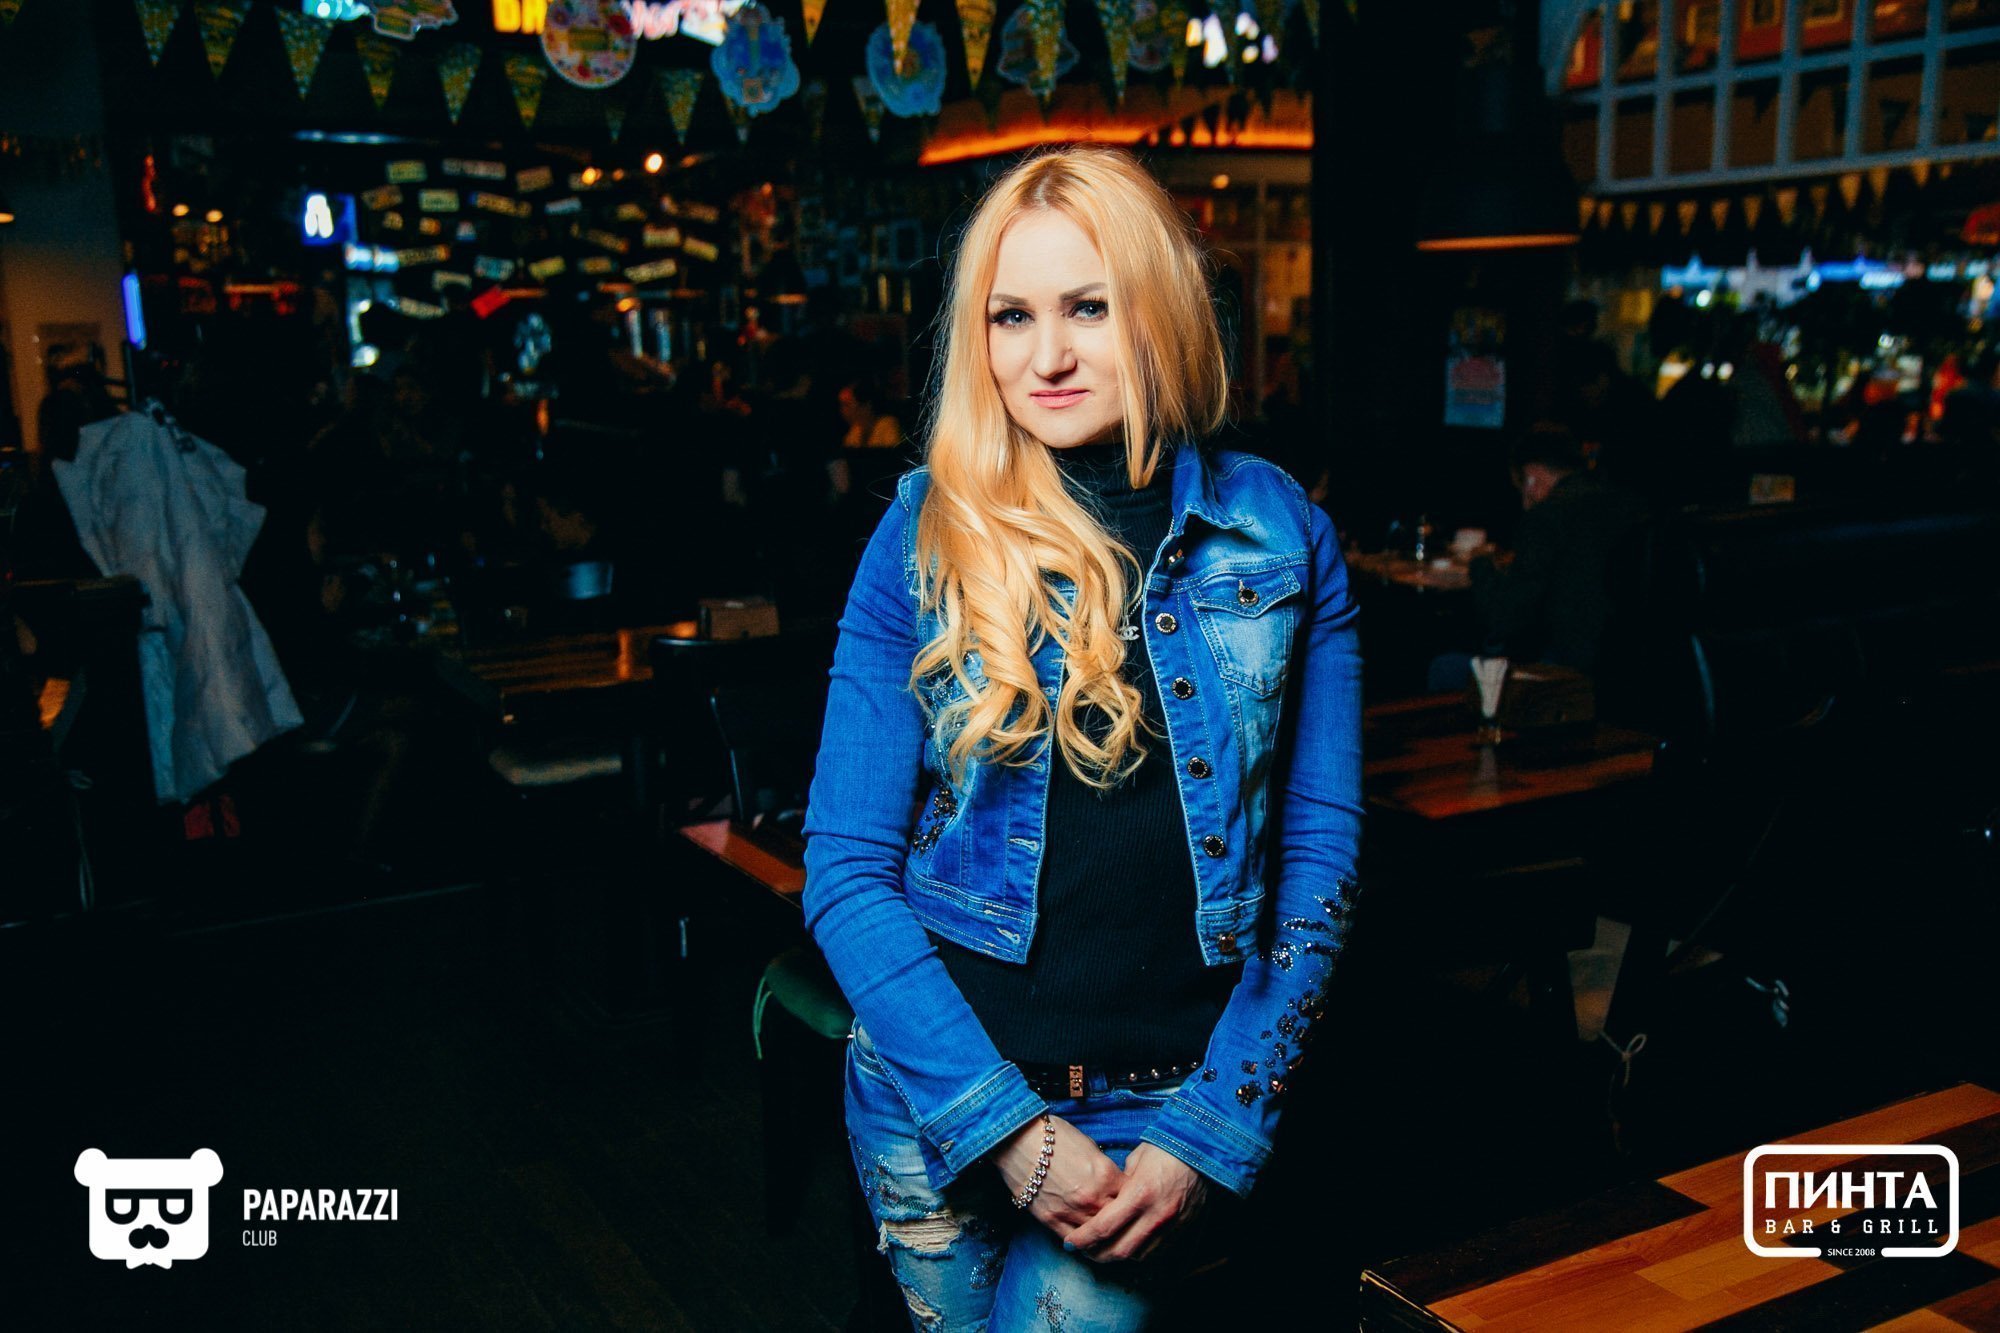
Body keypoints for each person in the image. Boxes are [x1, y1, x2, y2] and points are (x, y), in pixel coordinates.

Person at [800, 145, 1366, 1330]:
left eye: (1088, 308)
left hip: (1164, 1108)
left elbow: (1313, 868)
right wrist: (1001, 1127)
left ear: (1159, 310)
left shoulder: (1281, 534)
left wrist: (1217, 1124)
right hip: (939, 1087)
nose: (1045, 355)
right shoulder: (922, 534)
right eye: (1010, 315)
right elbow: (845, 871)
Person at [1462, 425, 1647, 677]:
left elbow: (1505, 619)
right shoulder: (1632, 504)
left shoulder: (1547, 518)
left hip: (1569, 671)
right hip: (1630, 662)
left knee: (1444, 667)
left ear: (1531, 476)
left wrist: (1480, 563)